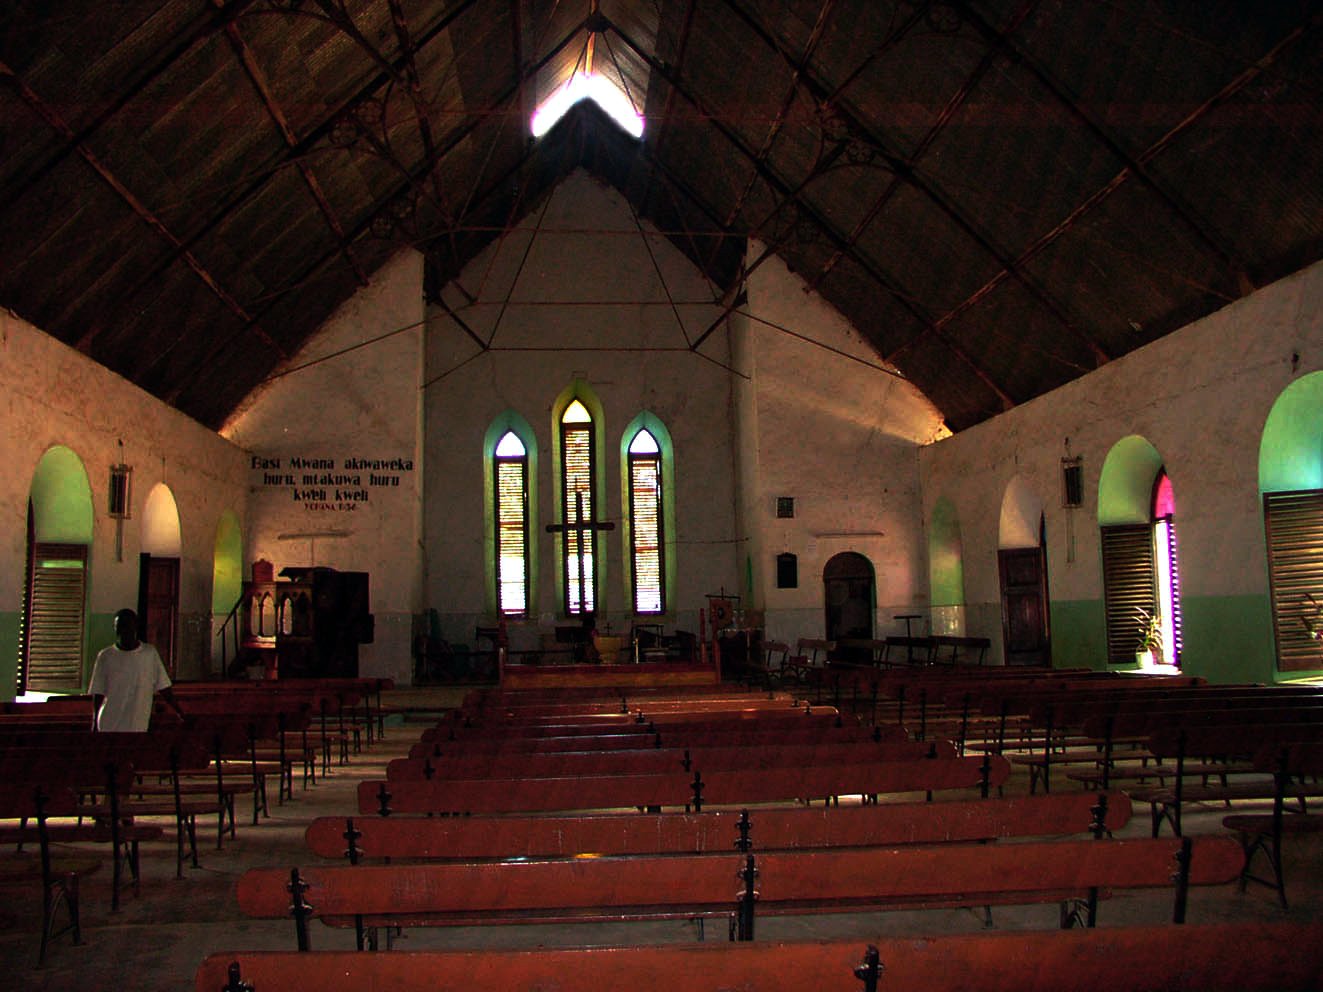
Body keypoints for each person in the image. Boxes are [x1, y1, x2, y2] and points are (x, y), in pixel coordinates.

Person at [89, 608, 184, 731]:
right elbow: (98, 690)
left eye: (127, 626)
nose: (124, 630)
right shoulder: (106, 656)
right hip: (110, 723)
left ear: (135, 627)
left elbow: (164, 687)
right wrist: (94, 721)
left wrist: (179, 711)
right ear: (115, 628)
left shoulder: (149, 654)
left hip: (137, 724)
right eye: (120, 626)